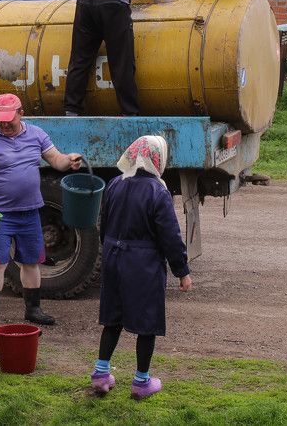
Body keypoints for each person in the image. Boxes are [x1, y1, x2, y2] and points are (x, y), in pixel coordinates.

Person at [0, 93, 83, 330]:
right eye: (0, 121)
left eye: (10, 120)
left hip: (29, 212)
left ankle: (33, 310)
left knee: (31, 262)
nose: (5, 125)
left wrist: (70, 160)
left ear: (21, 114)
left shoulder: (37, 135)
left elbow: (56, 160)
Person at [91, 135, 191, 400]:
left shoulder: (114, 184)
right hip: (143, 263)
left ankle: (101, 375)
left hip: (114, 257)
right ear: (158, 159)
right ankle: (141, 382)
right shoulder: (157, 191)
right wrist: (182, 270)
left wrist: (109, 250)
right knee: (147, 322)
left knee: (112, 317)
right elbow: (170, 236)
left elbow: (104, 223)